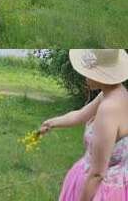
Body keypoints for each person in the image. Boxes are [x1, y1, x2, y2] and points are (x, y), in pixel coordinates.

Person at [40, 49, 128, 201]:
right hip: (110, 179)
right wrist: (52, 123)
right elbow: (81, 115)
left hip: (101, 191)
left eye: (89, 71)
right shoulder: (116, 93)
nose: (84, 75)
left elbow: (97, 173)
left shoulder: (109, 108)